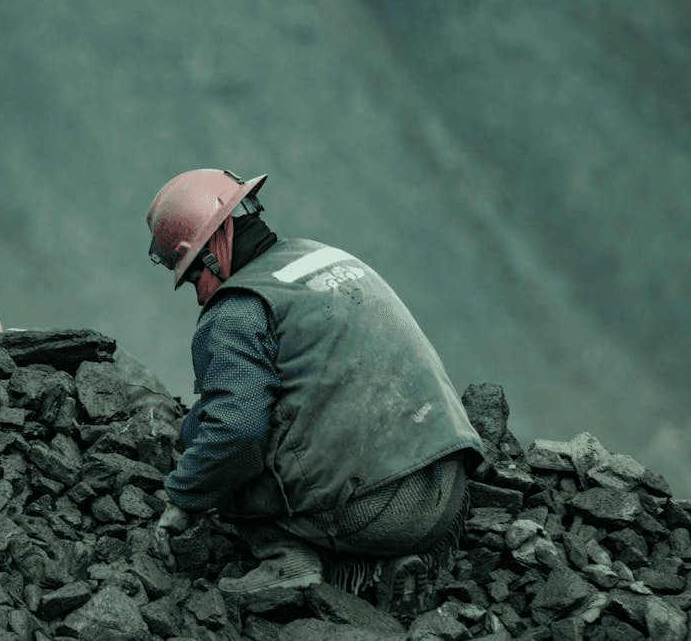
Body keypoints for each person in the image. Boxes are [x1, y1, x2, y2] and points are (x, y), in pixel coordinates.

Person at [145, 169, 484, 617]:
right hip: (448, 491)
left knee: (219, 447)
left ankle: (288, 562)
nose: (198, 294)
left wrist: (183, 499)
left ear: (212, 249)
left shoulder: (237, 311)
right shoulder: (321, 256)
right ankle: (384, 571)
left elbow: (236, 432)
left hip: (380, 509)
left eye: (192, 277)